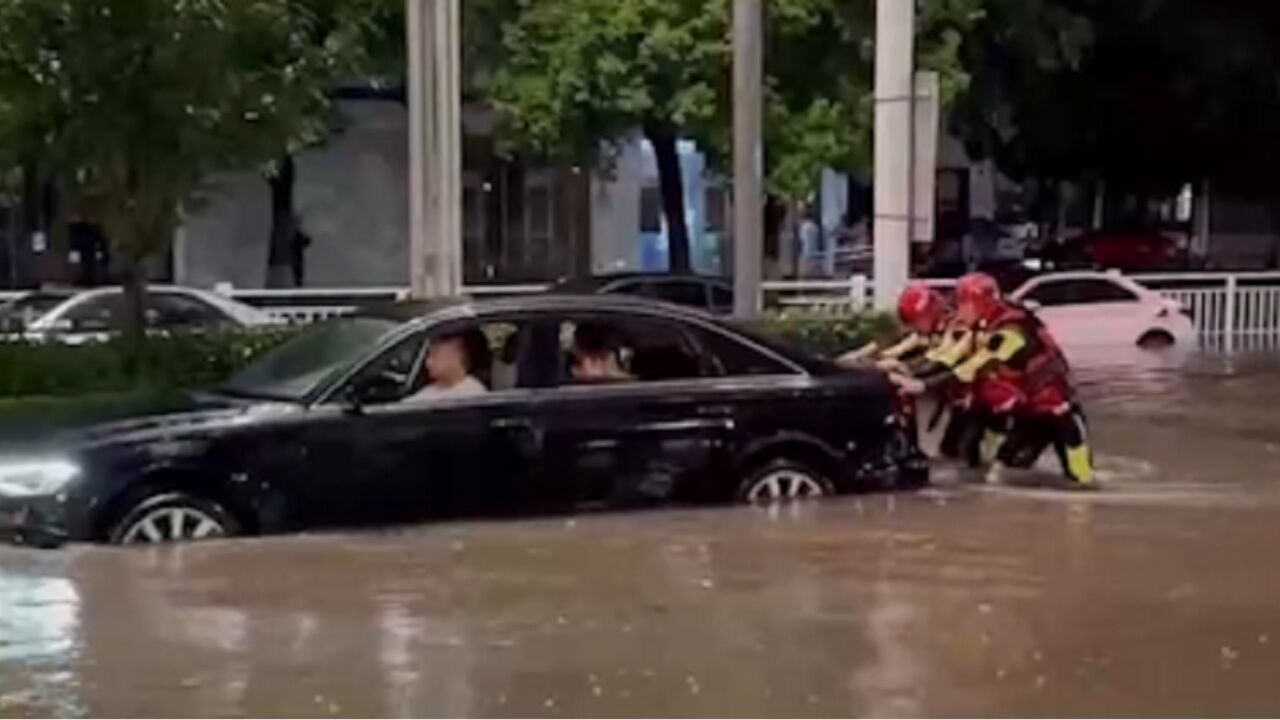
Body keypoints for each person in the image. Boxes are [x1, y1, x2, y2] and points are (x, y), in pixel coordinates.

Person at [948, 272, 1094, 486]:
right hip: (1030, 416)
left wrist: (925, 384)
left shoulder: (1012, 330)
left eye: (963, 304)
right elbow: (950, 359)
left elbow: (974, 366)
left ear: (980, 303)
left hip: (1062, 416)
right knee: (1000, 476)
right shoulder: (984, 326)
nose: (959, 310)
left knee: (1082, 481)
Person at [405, 329, 490, 402]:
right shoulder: (439, 385)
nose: (428, 362)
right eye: (428, 355)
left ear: (457, 357)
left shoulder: (470, 395)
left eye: (435, 356)